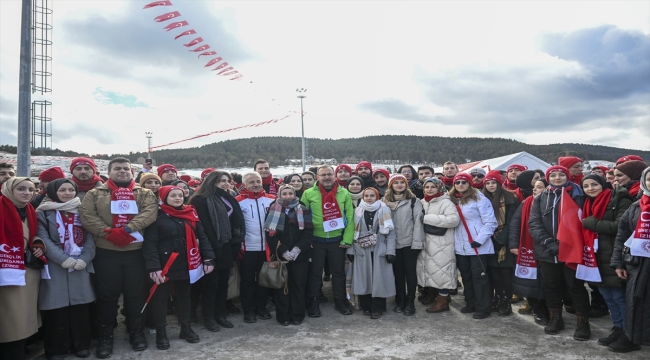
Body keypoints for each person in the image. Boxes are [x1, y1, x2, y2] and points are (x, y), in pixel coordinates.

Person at [79, 157, 158, 358]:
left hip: (135, 252)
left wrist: (128, 228)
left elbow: (150, 212)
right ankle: (106, 336)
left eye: (125, 168)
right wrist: (108, 232)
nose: (122, 171)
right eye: (117, 169)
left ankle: (136, 332)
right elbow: (87, 217)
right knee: (107, 296)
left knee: (136, 294)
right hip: (107, 252)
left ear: (131, 172)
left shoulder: (144, 192)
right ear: (109, 171)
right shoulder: (95, 193)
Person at [143, 186, 215, 350]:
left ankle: (185, 327)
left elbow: (201, 237)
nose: (177, 198)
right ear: (164, 197)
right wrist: (153, 267)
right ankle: (161, 331)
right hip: (164, 265)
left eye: (180, 195)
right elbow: (150, 245)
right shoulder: (156, 217)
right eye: (173, 195)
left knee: (184, 296)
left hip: (186, 262)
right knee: (160, 298)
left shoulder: (190, 214)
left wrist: (209, 258)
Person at [529, 165, 592, 341]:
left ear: (567, 176)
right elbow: (534, 224)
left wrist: (568, 244)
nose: (557, 178)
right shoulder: (540, 198)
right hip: (547, 251)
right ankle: (555, 317)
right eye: (554, 175)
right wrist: (550, 243)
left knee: (575, 286)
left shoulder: (578, 195)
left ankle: (582, 321)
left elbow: (583, 220)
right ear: (548, 178)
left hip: (573, 249)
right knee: (551, 286)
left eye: (561, 175)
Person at [36, 179, 96, 359]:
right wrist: (64, 260)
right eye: (63, 190)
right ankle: (56, 349)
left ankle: (81, 345)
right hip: (56, 266)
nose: (68, 193)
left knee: (81, 307)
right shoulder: (43, 213)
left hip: (81, 265)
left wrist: (85, 259)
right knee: (57, 309)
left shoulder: (82, 211)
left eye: (71, 190)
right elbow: (43, 238)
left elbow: (90, 238)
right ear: (54, 192)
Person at [579, 174, 633, 347]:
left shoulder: (620, 199)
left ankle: (629, 333)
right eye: (586, 186)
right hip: (596, 256)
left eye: (594, 184)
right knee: (607, 296)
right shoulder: (588, 203)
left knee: (619, 296)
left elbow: (620, 227)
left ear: (603, 184)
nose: (590, 188)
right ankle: (618, 328)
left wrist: (590, 222)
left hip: (614, 255)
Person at [190, 171, 245, 330]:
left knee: (223, 283)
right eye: (221, 181)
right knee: (211, 284)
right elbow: (205, 226)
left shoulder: (228, 197)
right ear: (211, 182)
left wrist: (236, 239)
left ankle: (220, 314)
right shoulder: (199, 199)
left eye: (227, 181)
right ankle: (209, 317)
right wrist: (214, 248)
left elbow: (236, 221)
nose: (225, 183)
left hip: (228, 244)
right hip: (211, 246)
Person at [0, 177, 46, 360]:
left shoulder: (29, 210)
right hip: (7, 270)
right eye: (21, 189)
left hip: (28, 271)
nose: (27, 193)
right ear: (9, 189)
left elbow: (34, 235)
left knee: (24, 318)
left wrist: (38, 244)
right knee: (11, 319)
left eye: (30, 189)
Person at [301, 165, 355, 317]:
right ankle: (313, 302)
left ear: (334, 175)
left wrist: (347, 239)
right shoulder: (308, 193)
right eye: (323, 175)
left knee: (338, 273)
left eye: (329, 174)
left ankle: (340, 301)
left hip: (337, 240)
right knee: (315, 273)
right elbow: (302, 218)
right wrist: (307, 239)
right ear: (317, 177)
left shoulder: (344, 193)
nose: (326, 177)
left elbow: (350, 218)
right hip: (316, 240)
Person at [609, 166, 650, 353]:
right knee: (635, 302)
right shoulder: (636, 206)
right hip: (637, 264)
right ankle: (632, 337)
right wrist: (618, 262)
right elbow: (622, 235)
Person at [449, 172, 497, 319]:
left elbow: (491, 222)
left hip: (477, 246)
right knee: (466, 276)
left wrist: (480, 239)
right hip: (460, 246)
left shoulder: (480, 199)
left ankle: (483, 307)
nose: (460, 185)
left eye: (464, 182)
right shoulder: (452, 200)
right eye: (457, 183)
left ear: (470, 184)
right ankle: (471, 303)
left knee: (479, 276)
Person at [264, 184, 313, 326]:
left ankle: (297, 314)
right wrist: (283, 250)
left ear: (294, 194)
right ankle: (283, 316)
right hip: (281, 255)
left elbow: (308, 233)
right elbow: (270, 234)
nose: (288, 196)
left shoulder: (302, 208)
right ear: (279, 195)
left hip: (300, 255)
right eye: (284, 193)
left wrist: (298, 249)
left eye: (290, 193)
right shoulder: (274, 208)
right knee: (282, 286)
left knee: (298, 284)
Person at [348, 187, 396, 319]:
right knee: (365, 278)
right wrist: (350, 250)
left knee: (379, 279)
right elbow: (351, 232)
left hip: (380, 247)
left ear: (377, 197)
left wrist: (390, 251)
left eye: (372, 196)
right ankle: (366, 305)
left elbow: (391, 233)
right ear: (362, 197)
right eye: (366, 196)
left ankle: (378, 307)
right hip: (361, 249)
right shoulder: (357, 211)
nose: (369, 198)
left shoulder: (384, 210)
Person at [235, 171, 276, 323]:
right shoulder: (238, 201)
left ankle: (261, 307)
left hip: (266, 248)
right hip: (247, 248)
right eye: (251, 182)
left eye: (258, 181)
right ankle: (249, 309)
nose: (256, 184)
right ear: (244, 185)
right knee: (247, 280)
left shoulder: (272, 199)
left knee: (263, 279)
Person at [382, 174, 424, 316]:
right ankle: (400, 300)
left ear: (406, 185)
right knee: (398, 274)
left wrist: (417, 244)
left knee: (410, 273)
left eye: (402, 182)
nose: (399, 185)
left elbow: (418, 224)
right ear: (391, 186)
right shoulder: (384, 202)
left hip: (409, 243)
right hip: (393, 244)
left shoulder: (413, 201)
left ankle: (411, 302)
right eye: (396, 183)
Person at [416, 177, 459, 313]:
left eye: (432, 187)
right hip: (426, 241)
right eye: (427, 187)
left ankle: (443, 301)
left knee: (442, 272)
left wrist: (427, 219)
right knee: (430, 270)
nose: (429, 189)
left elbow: (453, 220)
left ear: (439, 188)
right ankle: (432, 294)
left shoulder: (446, 202)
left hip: (442, 243)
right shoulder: (422, 202)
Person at [510, 178, 550, 324]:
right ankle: (538, 310)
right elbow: (515, 224)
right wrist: (514, 244)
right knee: (529, 282)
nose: (534, 189)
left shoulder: (553, 204)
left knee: (547, 283)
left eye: (539, 187)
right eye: (534, 187)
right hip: (528, 249)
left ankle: (550, 311)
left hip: (547, 249)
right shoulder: (525, 203)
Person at [482, 170, 519, 316]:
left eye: (494, 183)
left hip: (505, 240)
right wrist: (490, 239)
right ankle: (497, 298)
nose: (491, 186)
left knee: (505, 273)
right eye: (488, 183)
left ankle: (506, 301)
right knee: (494, 273)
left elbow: (512, 222)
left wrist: (500, 240)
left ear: (499, 183)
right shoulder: (482, 198)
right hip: (488, 240)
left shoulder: (510, 198)